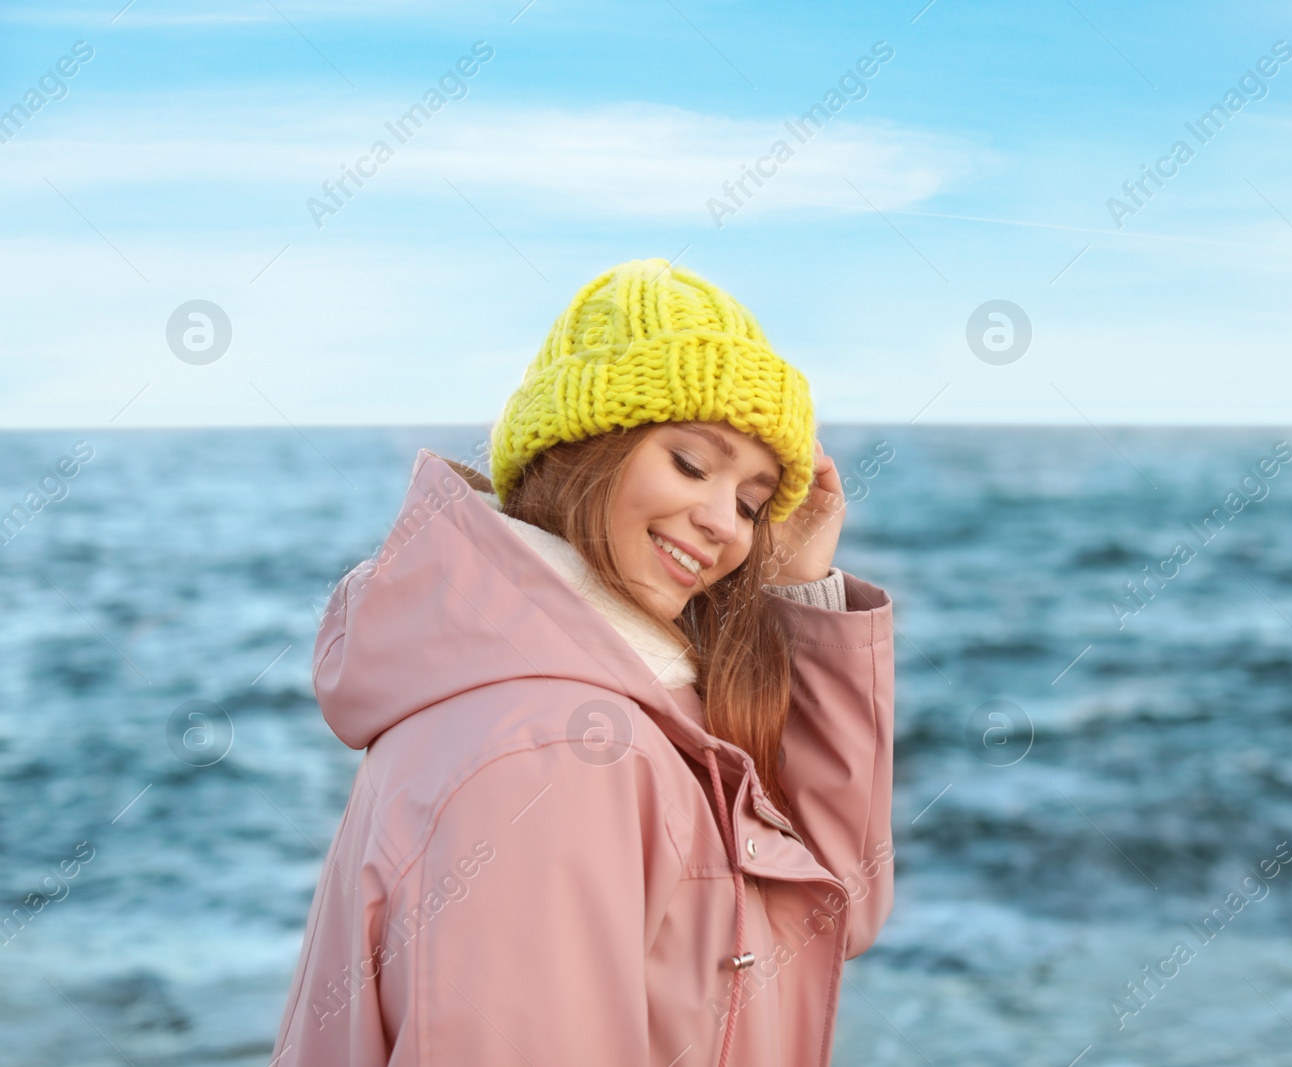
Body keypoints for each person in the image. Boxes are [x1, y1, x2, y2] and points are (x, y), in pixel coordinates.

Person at [270, 257, 896, 1066]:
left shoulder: (617, 701)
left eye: (749, 503)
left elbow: (828, 907)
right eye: (691, 464)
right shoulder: (562, 750)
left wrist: (802, 588)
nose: (722, 524)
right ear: (582, 448)